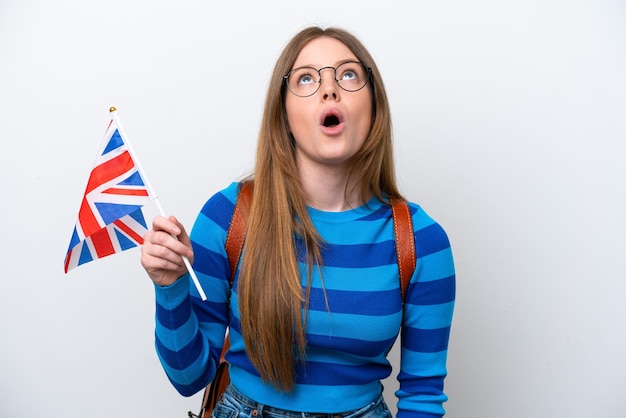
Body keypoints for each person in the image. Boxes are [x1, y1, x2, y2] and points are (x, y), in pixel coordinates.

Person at [141, 26, 455, 418]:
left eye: (348, 74)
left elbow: (422, 396)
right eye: (307, 78)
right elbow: (188, 377)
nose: (329, 89)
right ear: (284, 114)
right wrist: (169, 287)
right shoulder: (228, 218)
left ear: (373, 104)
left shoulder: (421, 242)